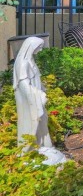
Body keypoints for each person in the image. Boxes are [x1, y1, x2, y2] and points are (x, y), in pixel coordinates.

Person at [13, 37, 66, 165]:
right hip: (30, 102)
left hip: (36, 100)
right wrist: (37, 94)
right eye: (39, 47)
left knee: (42, 122)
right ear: (31, 47)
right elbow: (24, 85)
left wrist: (43, 88)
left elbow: (36, 79)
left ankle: (43, 146)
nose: (41, 49)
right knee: (32, 123)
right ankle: (30, 151)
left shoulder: (30, 60)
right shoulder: (22, 63)